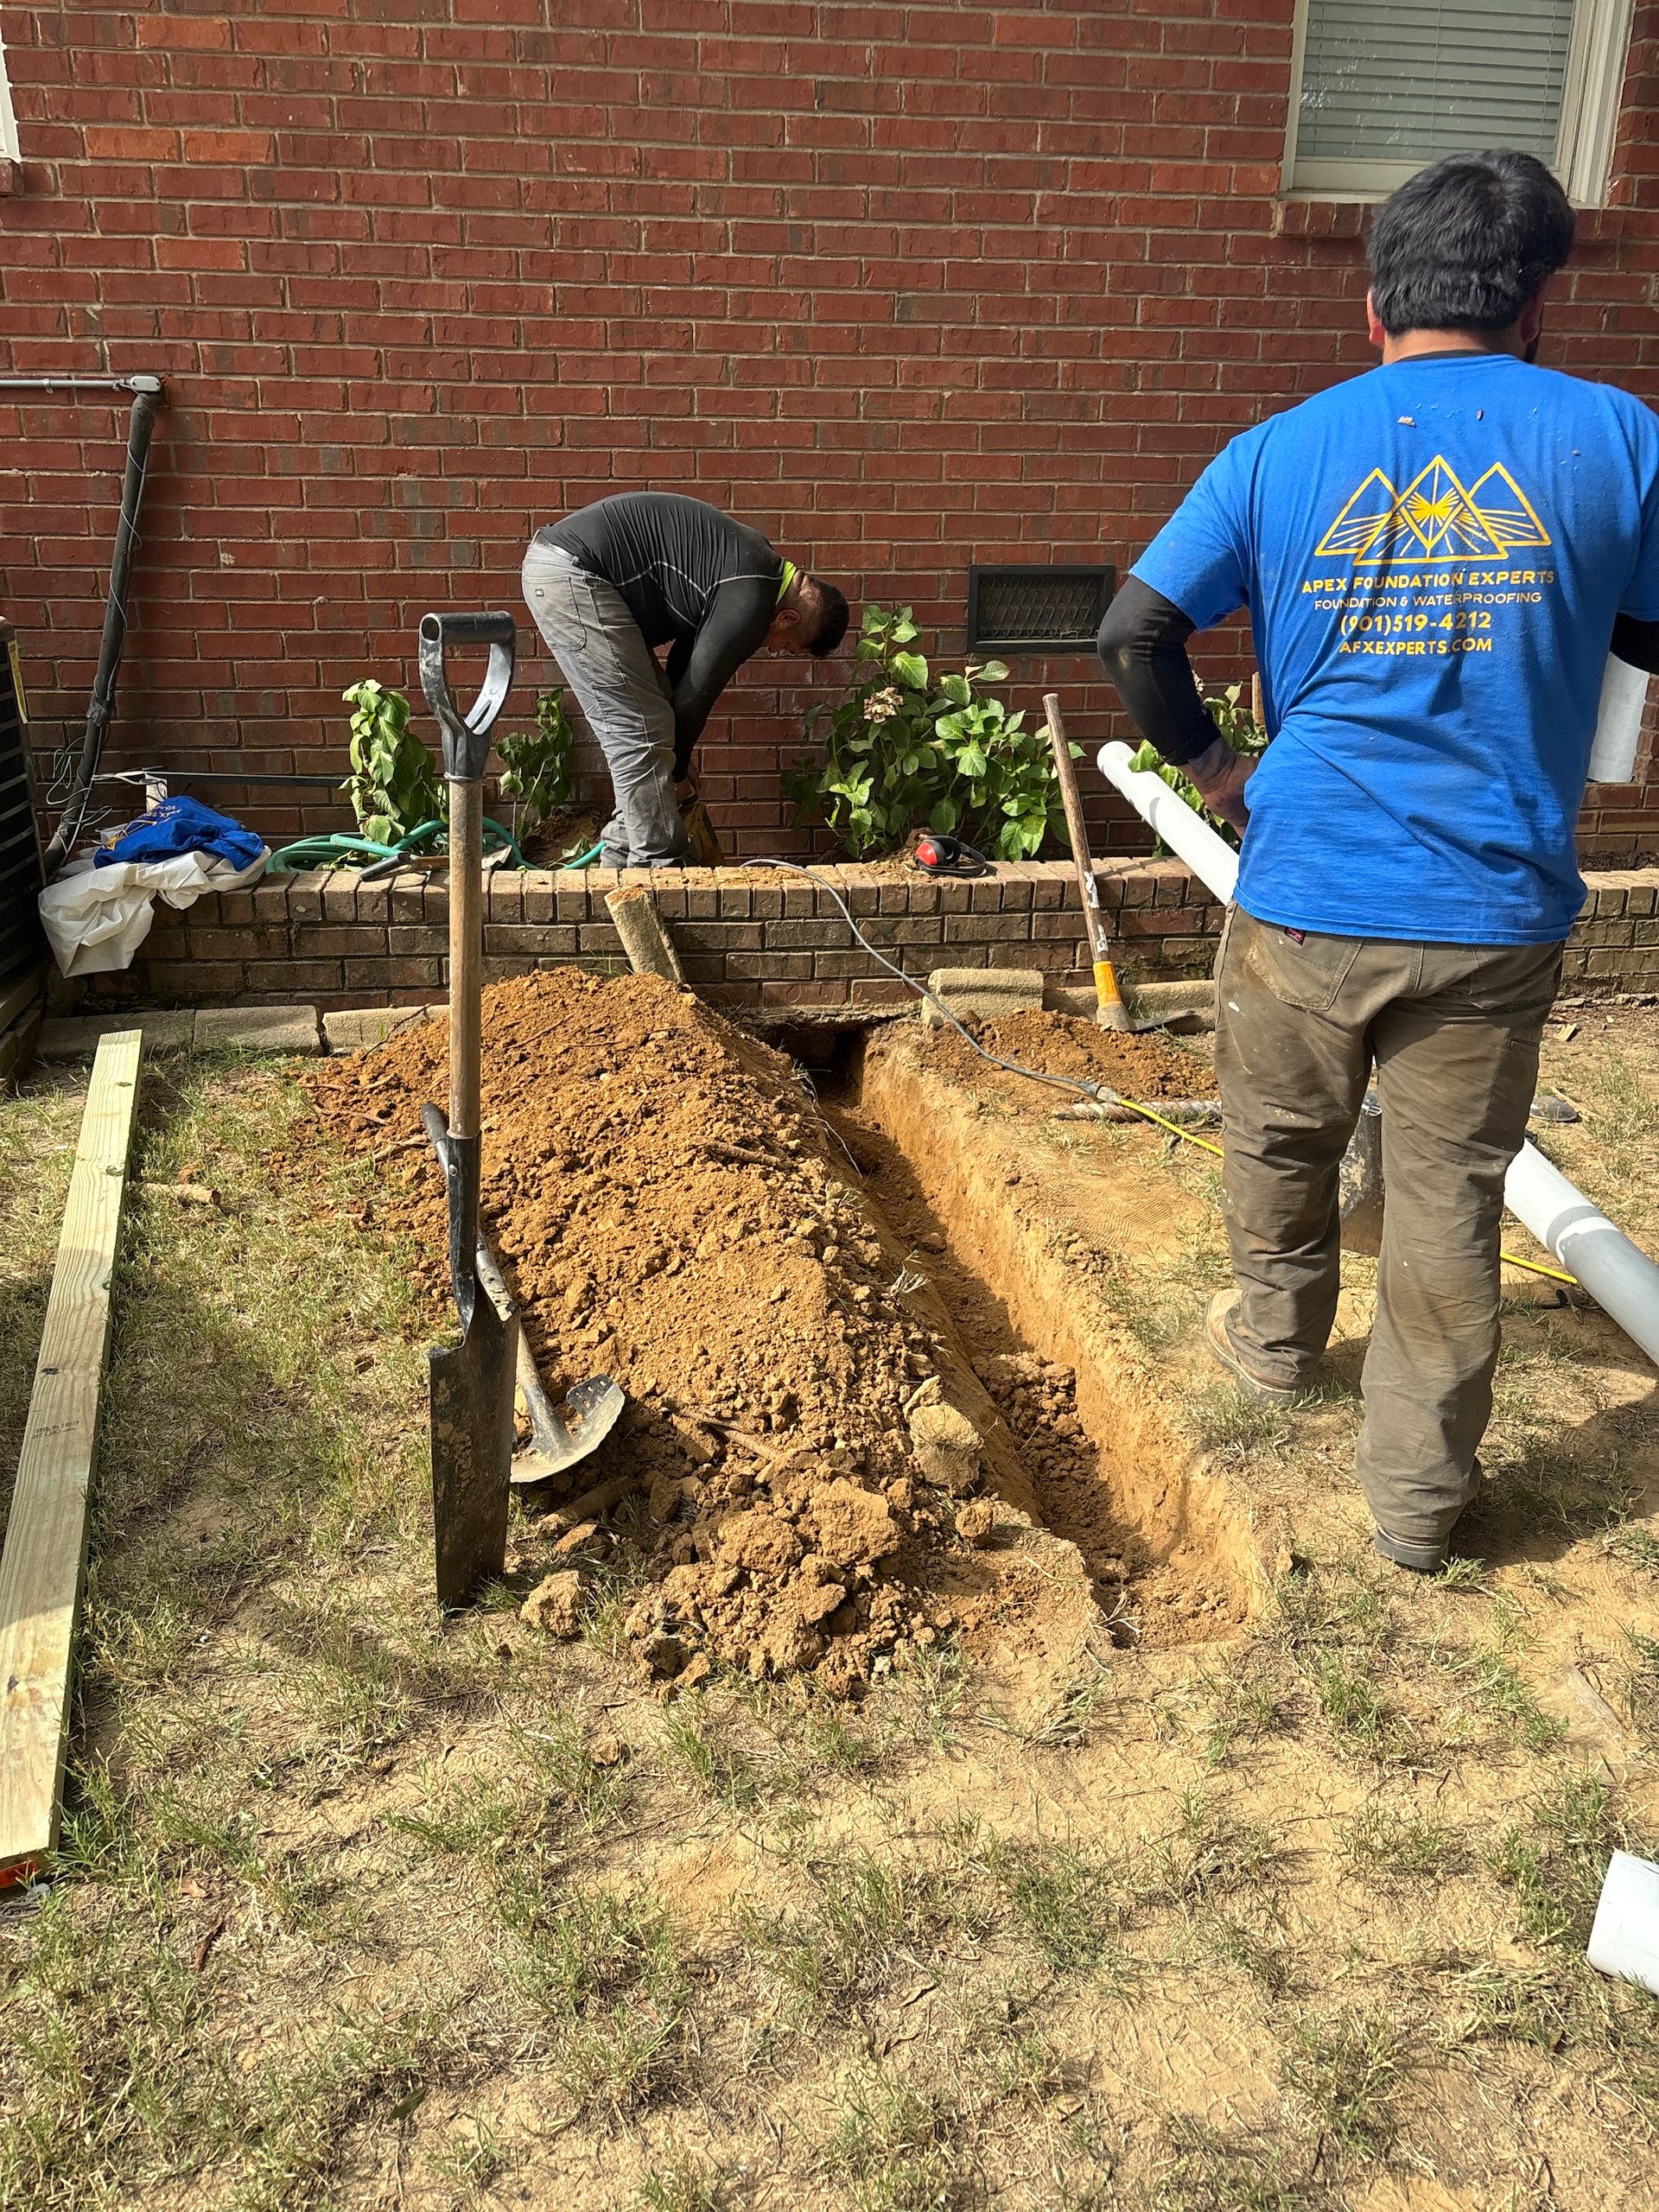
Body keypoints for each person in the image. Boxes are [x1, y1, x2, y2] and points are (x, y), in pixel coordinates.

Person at [1096, 149, 1659, 1573]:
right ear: (1537, 305)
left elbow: (1132, 636)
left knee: (1278, 1144)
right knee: (1448, 1203)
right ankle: (1416, 1507)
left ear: (1372, 312)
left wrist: (1218, 773)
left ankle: (1278, 1349)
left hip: (1302, 892)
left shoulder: (1280, 452)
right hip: (1492, 912)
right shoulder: (1622, 440)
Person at [520, 492, 849, 868]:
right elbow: (696, 697)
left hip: (571, 569)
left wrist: (675, 762)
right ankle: (657, 868)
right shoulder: (752, 599)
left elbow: (685, 665)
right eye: (787, 646)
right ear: (787, 618)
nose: (774, 651)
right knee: (640, 728)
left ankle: (619, 857)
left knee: (652, 716)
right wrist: (676, 775)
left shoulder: (754, 570)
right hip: (574, 575)